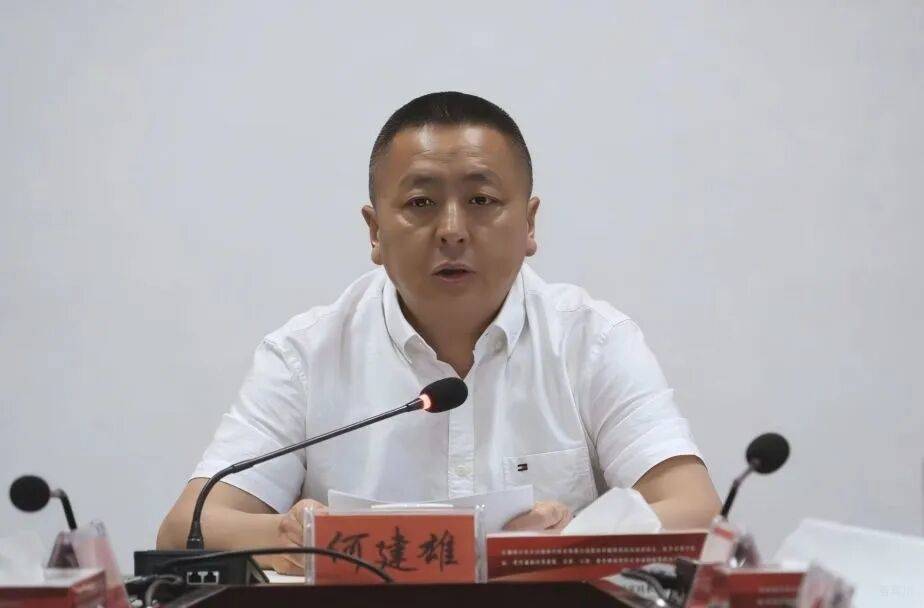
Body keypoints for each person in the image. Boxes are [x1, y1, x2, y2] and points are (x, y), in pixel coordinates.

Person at [157, 91, 721, 574]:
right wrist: (292, 536)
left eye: (481, 201)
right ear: (375, 232)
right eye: (421, 203)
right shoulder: (305, 355)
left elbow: (696, 512)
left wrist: (561, 542)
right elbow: (187, 527)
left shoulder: (592, 341)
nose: (452, 230)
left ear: (529, 224)